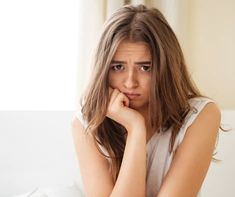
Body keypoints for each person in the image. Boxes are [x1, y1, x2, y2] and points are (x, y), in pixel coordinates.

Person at [71, 4, 221, 197]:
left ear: (165, 69)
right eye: (118, 67)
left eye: (145, 68)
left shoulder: (200, 115)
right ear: (104, 69)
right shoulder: (86, 123)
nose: (130, 82)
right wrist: (136, 128)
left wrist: (135, 128)